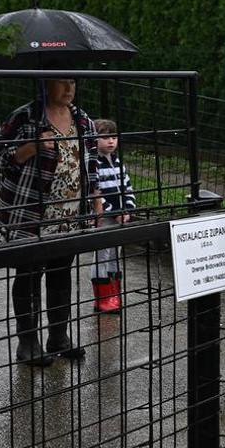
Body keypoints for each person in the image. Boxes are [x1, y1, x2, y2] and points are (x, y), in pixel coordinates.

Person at [0, 77, 101, 367]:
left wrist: (96, 202)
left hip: (70, 216)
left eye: (73, 82)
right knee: (28, 273)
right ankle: (28, 343)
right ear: (45, 84)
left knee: (61, 270)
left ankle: (58, 337)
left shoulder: (83, 120)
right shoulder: (26, 117)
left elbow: (91, 166)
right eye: (62, 82)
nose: (69, 88)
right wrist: (30, 148)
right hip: (31, 214)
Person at [90, 118, 136, 314]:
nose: (111, 141)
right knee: (102, 254)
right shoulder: (93, 164)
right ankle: (102, 297)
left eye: (113, 137)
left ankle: (113, 293)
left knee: (115, 254)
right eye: (105, 137)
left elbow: (127, 187)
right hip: (105, 217)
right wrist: (114, 212)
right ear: (94, 139)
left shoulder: (118, 162)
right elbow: (95, 192)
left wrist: (128, 208)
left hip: (120, 217)